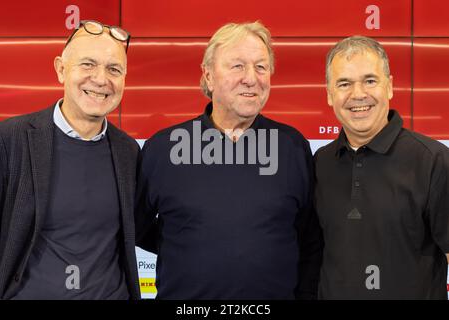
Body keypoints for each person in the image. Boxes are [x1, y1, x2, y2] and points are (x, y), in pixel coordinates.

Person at [135, 21, 323, 300]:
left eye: (261, 67)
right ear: (208, 76)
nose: (251, 78)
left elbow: (309, 240)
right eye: (237, 66)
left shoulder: (293, 147)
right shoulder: (162, 148)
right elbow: (136, 229)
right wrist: (187, 242)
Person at [0, 20, 140, 299]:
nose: (101, 79)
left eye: (114, 69)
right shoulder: (9, 140)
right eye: (88, 64)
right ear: (61, 69)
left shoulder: (128, 151)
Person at [314, 35, 449, 299]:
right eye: (344, 84)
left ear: (389, 86)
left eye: (370, 80)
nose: (358, 94)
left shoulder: (434, 161)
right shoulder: (320, 163)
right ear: (330, 95)